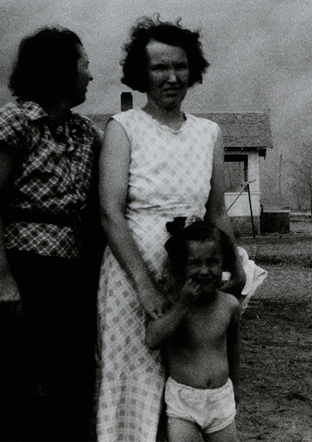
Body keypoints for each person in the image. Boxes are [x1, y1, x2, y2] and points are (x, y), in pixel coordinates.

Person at [94, 15, 246, 442]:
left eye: (179, 66)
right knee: (134, 381)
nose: (171, 76)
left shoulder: (209, 133)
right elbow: (110, 212)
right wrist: (143, 285)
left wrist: (233, 266)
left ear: (192, 70)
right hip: (132, 277)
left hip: (194, 272)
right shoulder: (123, 128)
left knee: (192, 380)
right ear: (142, 74)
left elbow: (216, 211)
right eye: (159, 67)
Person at [0, 26, 103, 441]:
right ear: (60, 68)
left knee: (71, 386)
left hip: (71, 275)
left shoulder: (85, 132)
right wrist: (1, 279)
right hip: (21, 272)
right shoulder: (11, 121)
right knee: (13, 387)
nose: (91, 74)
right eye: (84, 63)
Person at [146, 220, 240, 442]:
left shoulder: (230, 305)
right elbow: (152, 339)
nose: (204, 271)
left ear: (224, 264)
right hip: (183, 401)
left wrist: (236, 384)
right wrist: (182, 305)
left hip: (220, 398)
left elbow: (233, 346)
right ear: (181, 266)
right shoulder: (172, 305)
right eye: (194, 263)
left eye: (213, 262)